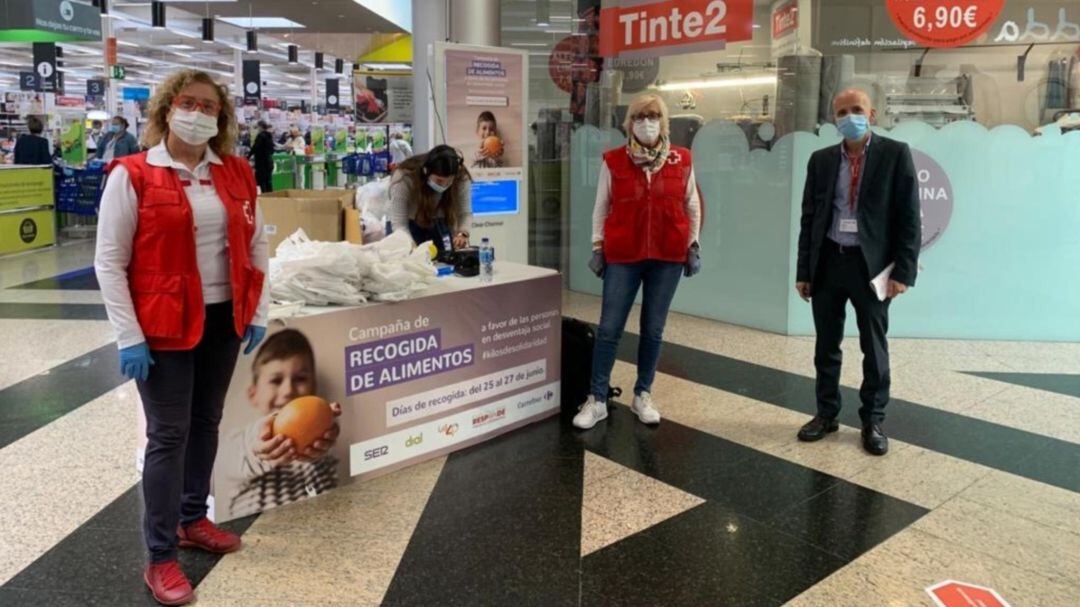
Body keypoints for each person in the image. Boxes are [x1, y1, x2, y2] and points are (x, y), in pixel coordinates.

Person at [94, 69, 269, 607]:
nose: (198, 113)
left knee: (206, 422)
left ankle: (195, 518)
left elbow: (258, 246)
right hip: (163, 325)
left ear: (221, 119)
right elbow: (109, 260)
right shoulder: (134, 174)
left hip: (222, 321)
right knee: (168, 435)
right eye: (189, 102)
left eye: (210, 107)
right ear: (168, 108)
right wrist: (128, 336)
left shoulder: (237, 172)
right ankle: (160, 555)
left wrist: (257, 311)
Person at [794, 88, 921, 456]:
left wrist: (903, 272)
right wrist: (805, 270)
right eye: (842, 112)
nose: (850, 117)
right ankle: (826, 413)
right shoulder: (820, 161)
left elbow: (909, 217)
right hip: (829, 262)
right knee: (826, 345)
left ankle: (873, 420)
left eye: (857, 110)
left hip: (872, 268)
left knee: (874, 347)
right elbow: (810, 218)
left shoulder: (895, 155)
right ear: (834, 119)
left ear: (873, 113)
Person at [573, 93, 702, 430]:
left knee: (653, 329)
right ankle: (597, 398)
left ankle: (642, 394)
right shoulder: (614, 160)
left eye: (654, 115)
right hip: (623, 255)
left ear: (664, 121)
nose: (647, 122)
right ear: (629, 123)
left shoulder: (681, 159)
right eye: (640, 116)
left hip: (667, 256)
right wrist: (597, 246)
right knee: (610, 328)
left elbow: (692, 205)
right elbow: (601, 206)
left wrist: (693, 244)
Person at [218, 329, 343, 519]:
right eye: (276, 380)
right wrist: (262, 444)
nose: (288, 390)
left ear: (314, 388)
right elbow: (236, 456)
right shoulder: (240, 442)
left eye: (300, 379)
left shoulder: (322, 443)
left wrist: (325, 422)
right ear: (254, 395)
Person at [388, 144, 473, 253]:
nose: (444, 185)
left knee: (446, 258)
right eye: (439, 181)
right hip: (409, 222)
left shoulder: (461, 176)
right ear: (426, 171)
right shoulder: (404, 177)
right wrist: (411, 247)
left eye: (449, 181)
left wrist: (462, 233)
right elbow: (399, 224)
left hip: (440, 221)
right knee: (408, 259)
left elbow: (465, 213)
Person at [249, 120, 276, 193]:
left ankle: (264, 197)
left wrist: (248, 156)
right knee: (268, 181)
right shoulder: (269, 136)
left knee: (262, 182)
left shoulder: (261, 136)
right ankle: (271, 197)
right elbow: (272, 149)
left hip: (261, 163)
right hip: (269, 161)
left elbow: (255, 147)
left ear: (260, 127)